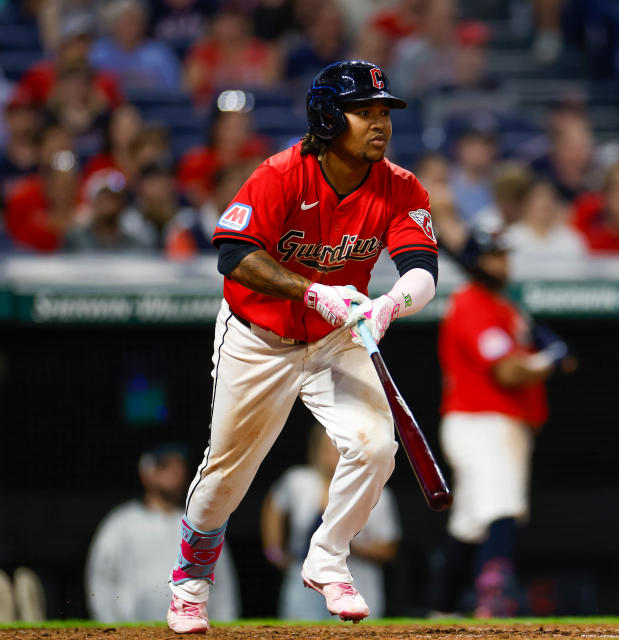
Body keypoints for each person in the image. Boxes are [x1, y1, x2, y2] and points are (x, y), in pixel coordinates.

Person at [163, 60, 438, 633]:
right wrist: (314, 292)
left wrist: (389, 305)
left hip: (337, 337)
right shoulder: (281, 173)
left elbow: (422, 270)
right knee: (229, 473)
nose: (380, 123)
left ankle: (328, 557)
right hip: (258, 338)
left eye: (384, 112)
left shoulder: (401, 185)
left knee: (375, 446)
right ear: (329, 117)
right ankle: (190, 582)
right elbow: (234, 255)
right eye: (366, 112)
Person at [432, 227, 574, 618]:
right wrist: (549, 360)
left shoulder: (505, 308)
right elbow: (508, 373)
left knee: (471, 524)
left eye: (505, 255)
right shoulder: (472, 304)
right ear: (479, 261)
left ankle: (442, 609)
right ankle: (492, 602)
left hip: (497, 424)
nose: (503, 263)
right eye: (494, 256)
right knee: (501, 509)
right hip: (482, 421)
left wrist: (548, 348)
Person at [87, 444, 239, 622]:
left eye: (179, 465)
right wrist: (109, 625)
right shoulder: (120, 523)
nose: (175, 472)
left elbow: (223, 586)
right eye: (166, 465)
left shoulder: (202, 526)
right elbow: (100, 580)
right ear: (147, 473)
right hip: (131, 630)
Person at [261, 424, 400, 619]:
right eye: (330, 446)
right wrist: (273, 551)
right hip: (304, 582)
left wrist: (339, 543)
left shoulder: (377, 492)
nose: (336, 453)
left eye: (342, 447)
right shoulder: (300, 481)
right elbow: (273, 504)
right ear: (317, 449)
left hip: (356, 581)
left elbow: (388, 549)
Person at [89, 0, 181, 91]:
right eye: (125, 23)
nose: (130, 28)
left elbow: (173, 89)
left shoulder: (160, 54)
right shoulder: (98, 53)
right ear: (113, 25)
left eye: (134, 22)